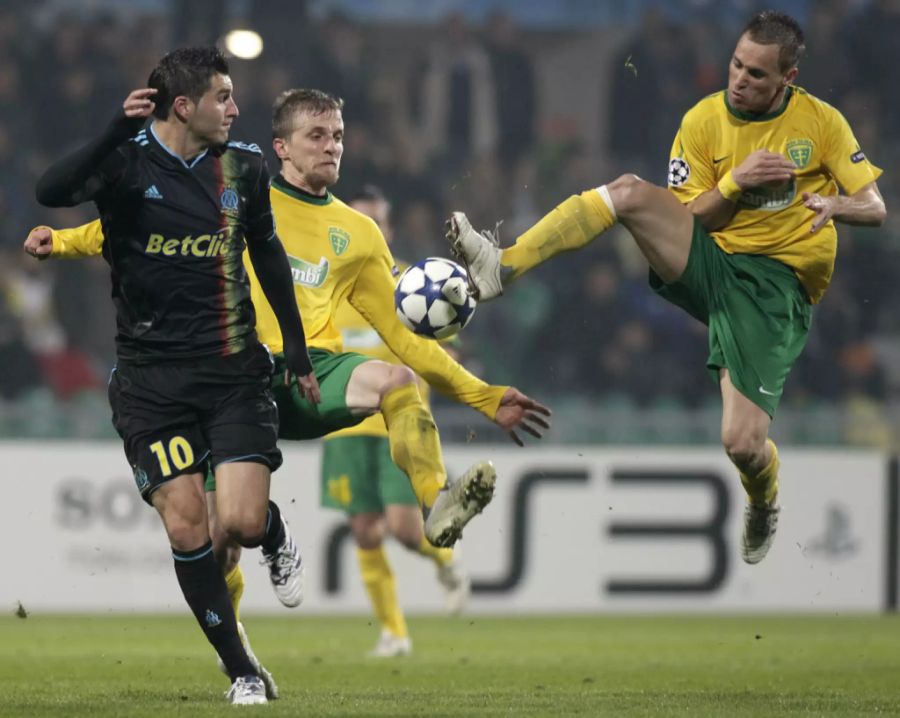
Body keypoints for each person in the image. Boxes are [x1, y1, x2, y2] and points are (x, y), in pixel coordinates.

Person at [444, 10, 885, 565]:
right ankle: (501, 266)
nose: (740, 79)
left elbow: (875, 207)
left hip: (776, 289)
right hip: (714, 258)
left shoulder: (821, 123)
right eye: (736, 64)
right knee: (628, 193)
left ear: (787, 79)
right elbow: (692, 218)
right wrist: (736, 180)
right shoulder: (703, 121)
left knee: (742, 444)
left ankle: (763, 496)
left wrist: (836, 204)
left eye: (756, 74)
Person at [33, 47, 320, 705]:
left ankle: (274, 534)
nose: (236, 107)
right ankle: (244, 670)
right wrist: (111, 127)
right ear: (184, 106)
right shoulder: (125, 162)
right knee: (189, 528)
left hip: (233, 373)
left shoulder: (243, 169)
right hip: (150, 383)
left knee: (240, 524)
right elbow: (51, 192)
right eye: (224, 95)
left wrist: (297, 351)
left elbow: (269, 256)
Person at [323, 184, 470, 658]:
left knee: (407, 531)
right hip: (343, 427)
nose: (371, 228)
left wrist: (447, 353)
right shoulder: (327, 285)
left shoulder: (416, 285)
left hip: (399, 426)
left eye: (377, 221)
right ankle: (394, 633)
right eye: (360, 219)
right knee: (365, 531)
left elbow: (446, 347)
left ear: (386, 228)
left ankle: (445, 559)